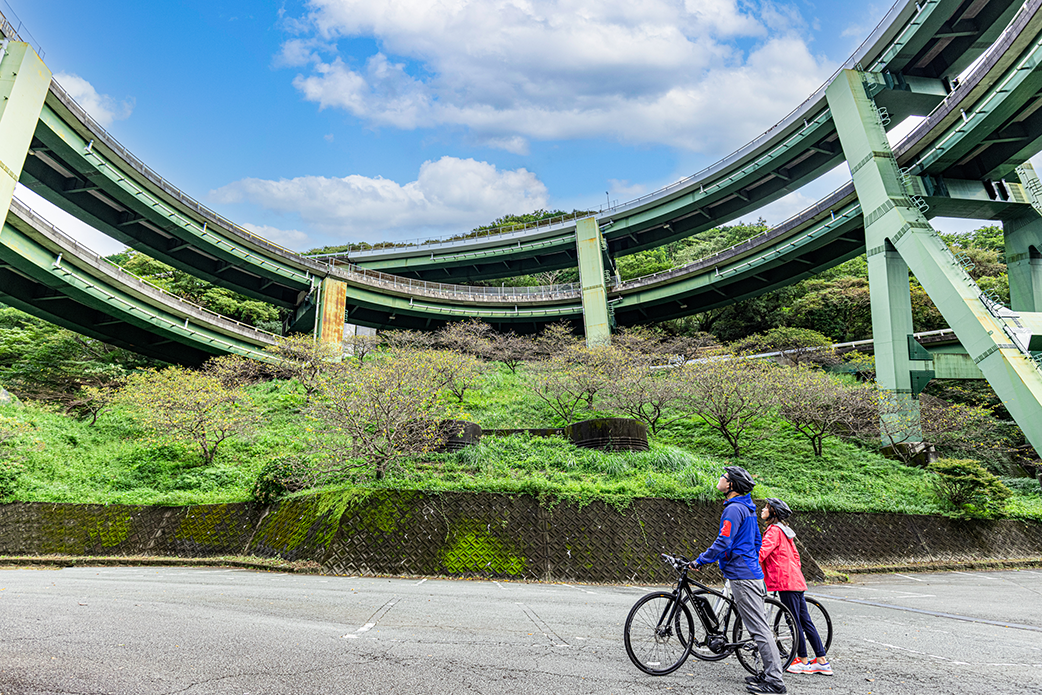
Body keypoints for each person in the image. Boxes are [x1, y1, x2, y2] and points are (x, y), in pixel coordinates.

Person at [691, 466, 786, 694]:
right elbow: (755, 542)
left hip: (743, 576)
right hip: (746, 572)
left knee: (758, 629)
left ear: (731, 485)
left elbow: (724, 541)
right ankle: (768, 674)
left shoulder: (734, 509)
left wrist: (700, 561)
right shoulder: (747, 509)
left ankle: (775, 681)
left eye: (724, 477)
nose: (720, 479)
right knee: (757, 627)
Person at [758, 498, 833, 676]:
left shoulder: (773, 531)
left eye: (766, 508)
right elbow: (797, 558)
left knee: (794, 621)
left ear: (773, 513)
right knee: (805, 621)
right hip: (796, 580)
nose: (762, 510)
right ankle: (822, 661)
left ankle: (803, 661)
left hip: (785, 582)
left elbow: (761, 553)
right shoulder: (785, 532)